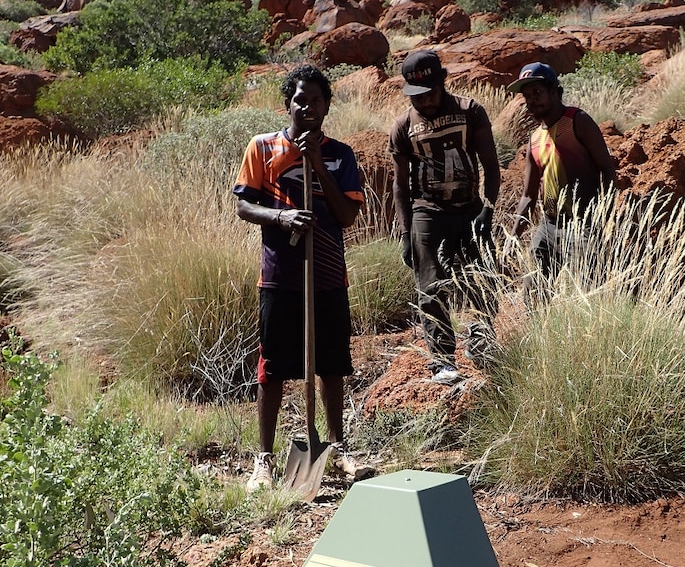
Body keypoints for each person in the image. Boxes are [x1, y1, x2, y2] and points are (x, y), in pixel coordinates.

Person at [234, 64, 373, 491]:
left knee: (333, 365)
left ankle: (339, 449)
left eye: (315, 99)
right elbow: (243, 206)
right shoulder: (262, 147)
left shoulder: (341, 154)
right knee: (273, 367)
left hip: (329, 273)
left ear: (327, 105)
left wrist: (317, 163)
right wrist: (281, 216)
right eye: (299, 98)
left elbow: (348, 214)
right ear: (287, 104)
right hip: (280, 274)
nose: (306, 106)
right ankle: (264, 460)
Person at [390, 50, 501, 383]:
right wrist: (405, 231)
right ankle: (442, 360)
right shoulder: (403, 126)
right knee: (430, 284)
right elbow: (400, 184)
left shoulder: (470, 112)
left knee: (482, 276)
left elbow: (492, 166)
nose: (424, 102)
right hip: (427, 211)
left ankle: (481, 340)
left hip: (468, 208)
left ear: (442, 82)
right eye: (417, 96)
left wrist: (488, 209)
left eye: (430, 93)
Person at [508, 61, 616, 285]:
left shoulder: (577, 121)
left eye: (537, 92)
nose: (532, 100)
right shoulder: (534, 139)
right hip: (549, 225)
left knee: (587, 291)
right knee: (534, 290)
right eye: (527, 96)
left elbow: (607, 170)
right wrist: (514, 235)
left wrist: (603, 218)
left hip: (582, 224)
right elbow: (528, 196)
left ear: (555, 91)